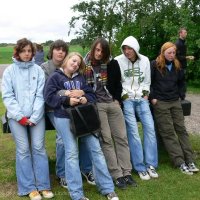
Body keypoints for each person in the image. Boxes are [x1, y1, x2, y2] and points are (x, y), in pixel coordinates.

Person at [44, 52, 119, 200]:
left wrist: (85, 98)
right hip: (64, 118)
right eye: (73, 61)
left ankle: (107, 188)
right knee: (71, 153)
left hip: (83, 117)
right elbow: (48, 98)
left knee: (96, 149)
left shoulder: (81, 78)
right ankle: (77, 195)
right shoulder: (55, 77)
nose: (75, 64)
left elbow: (92, 95)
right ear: (66, 60)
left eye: (78, 63)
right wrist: (66, 101)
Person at [1, 38, 54, 200]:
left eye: (29, 51)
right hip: (16, 118)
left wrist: (35, 116)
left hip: (36, 117)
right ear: (17, 52)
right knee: (23, 150)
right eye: (23, 51)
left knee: (39, 147)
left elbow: (40, 95)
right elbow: (8, 97)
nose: (27, 54)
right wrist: (21, 117)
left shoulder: (38, 70)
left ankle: (43, 185)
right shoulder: (10, 71)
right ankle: (29, 187)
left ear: (33, 52)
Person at [41, 40, 95, 188]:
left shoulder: (74, 67)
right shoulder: (45, 68)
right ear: (51, 51)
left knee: (84, 131)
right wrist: (67, 94)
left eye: (63, 50)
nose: (60, 52)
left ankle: (86, 168)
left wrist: (82, 93)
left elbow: (83, 87)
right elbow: (48, 92)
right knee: (62, 137)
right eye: (57, 49)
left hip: (73, 106)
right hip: (54, 108)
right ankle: (62, 173)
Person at [84, 37, 137, 189]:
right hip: (97, 105)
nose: (99, 53)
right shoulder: (84, 64)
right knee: (106, 140)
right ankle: (116, 174)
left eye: (102, 51)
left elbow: (118, 84)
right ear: (93, 48)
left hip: (112, 103)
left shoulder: (112, 63)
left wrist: (116, 100)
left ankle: (126, 172)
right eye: (97, 50)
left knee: (121, 137)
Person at [150, 41, 199, 175]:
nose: (172, 55)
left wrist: (181, 95)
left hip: (174, 101)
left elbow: (182, 82)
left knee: (181, 130)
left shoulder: (177, 65)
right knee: (168, 132)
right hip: (161, 102)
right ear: (163, 52)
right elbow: (149, 82)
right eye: (169, 53)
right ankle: (180, 162)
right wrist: (153, 98)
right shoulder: (155, 65)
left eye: (173, 53)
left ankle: (189, 160)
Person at [115, 36, 158, 180]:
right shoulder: (118, 60)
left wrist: (145, 95)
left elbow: (147, 81)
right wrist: (124, 96)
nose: (127, 51)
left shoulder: (145, 60)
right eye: (124, 48)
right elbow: (117, 82)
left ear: (135, 48)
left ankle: (150, 164)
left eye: (129, 48)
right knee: (133, 132)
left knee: (150, 128)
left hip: (141, 98)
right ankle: (139, 166)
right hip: (127, 99)